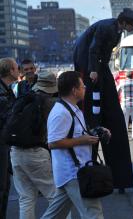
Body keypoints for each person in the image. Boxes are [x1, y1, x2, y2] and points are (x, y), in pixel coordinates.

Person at [73, 8, 133, 192]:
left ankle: (119, 179)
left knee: (110, 118)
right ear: (124, 22)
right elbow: (94, 49)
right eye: (132, 24)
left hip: (99, 69)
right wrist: (93, 70)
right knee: (92, 115)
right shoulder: (106, 28)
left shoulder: (116, 30)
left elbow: (104, 53)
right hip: (90, 67)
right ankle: (91, 171)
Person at [41, 71, 109, 219]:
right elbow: (52, 143)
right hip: (73, 172)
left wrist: (95, 131)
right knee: (93, 213)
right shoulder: (61, 113)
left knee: (55, 215)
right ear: (74, 90)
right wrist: (83, 140)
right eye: (82, 86)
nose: (85, 88)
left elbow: (76, 133)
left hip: (71, 172)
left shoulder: (73, 109)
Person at [10, 71, 58, 219]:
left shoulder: (24, 98)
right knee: (56, 197)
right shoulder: (51, 103)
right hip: (36, 152)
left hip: (15, 151)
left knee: (26, 198)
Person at [0, 57, 19, 219]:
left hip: (4, 142)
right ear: (10, 71)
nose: (18, 70)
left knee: (5, 185)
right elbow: (7, 117)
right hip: (2, 143)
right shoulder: (2, 92)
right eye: (16, 67)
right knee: (2, 184)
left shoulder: (6, 89)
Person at [117, 70, 133, 140]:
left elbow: (117, 92)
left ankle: (125, 135)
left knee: (125, 120)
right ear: (132, 76)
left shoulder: (122, 82)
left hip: (125, 104)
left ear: (126, 76)